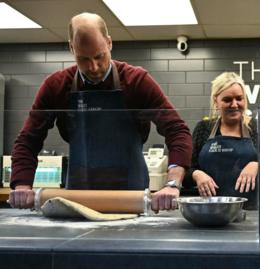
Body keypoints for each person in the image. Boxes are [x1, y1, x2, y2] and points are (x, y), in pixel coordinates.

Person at [8, 12, 192, 212]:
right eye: (83, 59)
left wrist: (172, 184)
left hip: (132, 196)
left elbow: (177, 130)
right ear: (71, 48)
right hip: (79, 197)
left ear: (109, 43)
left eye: (99, 56)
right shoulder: (56, 86)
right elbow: (28, 140)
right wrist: (22, 185)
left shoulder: (137, 81)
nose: (93, 67)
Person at [184, 72, 260, 209]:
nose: (234, 105)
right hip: (211, 211)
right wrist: (196, 174)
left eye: (239, 98)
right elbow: (186, 172)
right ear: (216, 101)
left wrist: (258, 165)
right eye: (227, 99)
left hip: (255, 212)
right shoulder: (203, 128)